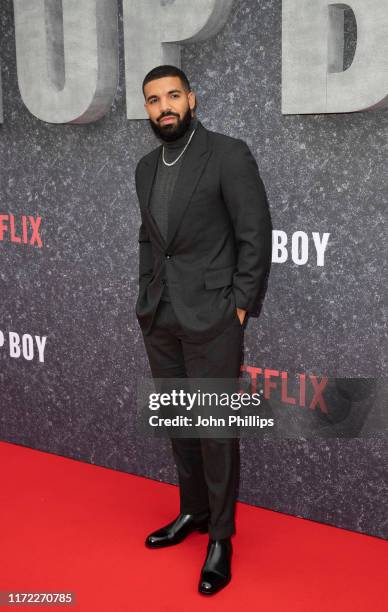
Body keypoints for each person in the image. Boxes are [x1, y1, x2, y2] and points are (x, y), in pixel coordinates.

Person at [134, 64, 272, 596]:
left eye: (173, 96)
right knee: (178, 424)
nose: (164, 106)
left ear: (192, 98)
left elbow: (254, 235)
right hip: (161, 316)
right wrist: (145, 293)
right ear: (146, 110)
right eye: (153, 100)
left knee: (215, 431)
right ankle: (190, 511)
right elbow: (150, 240)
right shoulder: (146, 166)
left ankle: (221, 536)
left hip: (213, 317)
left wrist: (238, 307)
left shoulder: (227, 154)